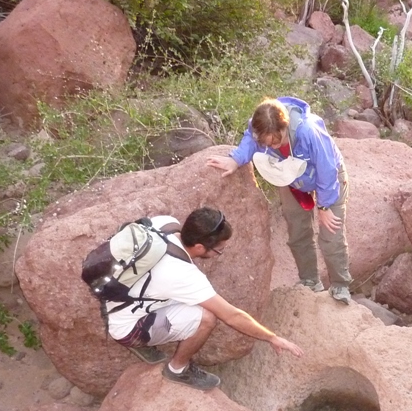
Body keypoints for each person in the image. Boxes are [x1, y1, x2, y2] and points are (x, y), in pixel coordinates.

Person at [107, 206, 304, 391]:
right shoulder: (182, 275)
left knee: (189, 298)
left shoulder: (164, 224)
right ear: (200, 247)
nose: (220, 253)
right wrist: (272, 337)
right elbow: (232, 316)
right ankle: (177, 369)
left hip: (115, 295)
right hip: (128, 326)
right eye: (219, 250)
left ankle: (145, 335)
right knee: (206, 317)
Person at [207, 97, 352, 304]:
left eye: (278, 139)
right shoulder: (257, 128)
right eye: (268, 142)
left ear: (285, 126)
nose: (274, 144)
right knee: (297, 232)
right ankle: (310, 281)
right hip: (290, 176)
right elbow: (249, 139)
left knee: (331, 235)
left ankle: (340, 285)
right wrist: (235, 159)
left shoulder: (308, 131)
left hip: (327, 179)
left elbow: (327, 169)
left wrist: (324, 206)